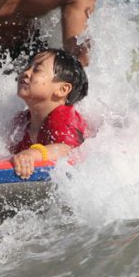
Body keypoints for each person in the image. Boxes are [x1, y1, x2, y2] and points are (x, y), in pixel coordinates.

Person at [8, 48, 89, 180]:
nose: (26, 72)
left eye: (37, 70)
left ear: (62, 89)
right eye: (28, 67)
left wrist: (31, 154)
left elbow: (66, 150)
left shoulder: (63, 116)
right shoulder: (21, 121)